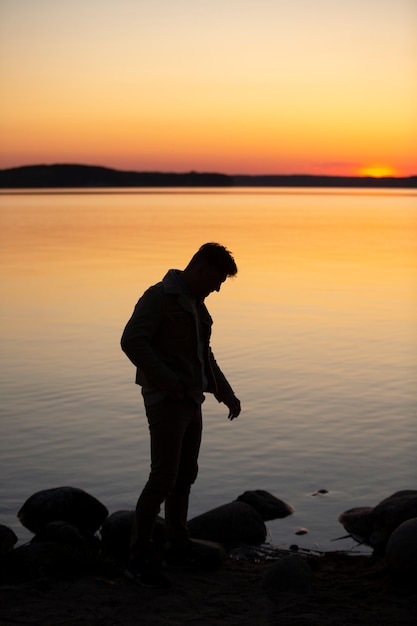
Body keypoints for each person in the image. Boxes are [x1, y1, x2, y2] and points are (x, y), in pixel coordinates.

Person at [121, 243, 241, 588]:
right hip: (166, 401)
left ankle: (177, 545)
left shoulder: (197, 305)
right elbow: (132, 341)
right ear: (200, 268)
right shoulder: (159, 298)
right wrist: (168, 382)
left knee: (185, 475)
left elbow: (205, 355)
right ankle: (137, 559)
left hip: (191, 401)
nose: (217, 289)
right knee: (162, 478)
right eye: (217, 280)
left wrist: (225, 392)